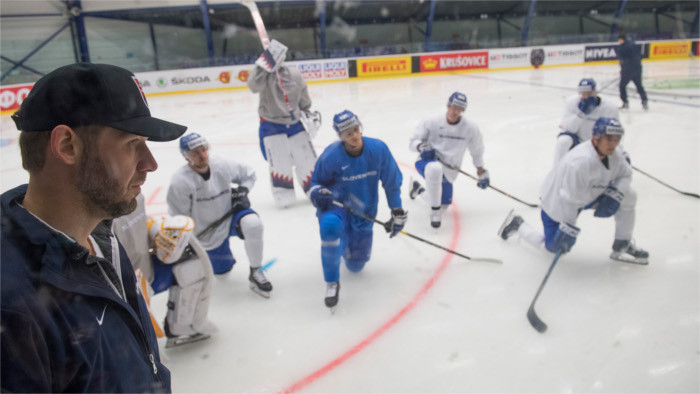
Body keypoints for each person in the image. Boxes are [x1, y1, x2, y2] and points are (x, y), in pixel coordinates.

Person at [1, 63, 185, 392]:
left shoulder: (101, 237)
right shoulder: (12, 306)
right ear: (67, 146)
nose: (150, 163)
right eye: (132, 143)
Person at [498, 117, 649, 265]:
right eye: (608, 138)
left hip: (588, 193)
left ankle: (622, 242)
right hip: (557, 200)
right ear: (596, 138)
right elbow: (569, 199)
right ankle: (518, 225)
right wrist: (568, 228)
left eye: (617, 139)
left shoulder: (615, 154)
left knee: (629, 196)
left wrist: (615, 193)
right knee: (552, 251)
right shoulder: (579, 163)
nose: (613, 144)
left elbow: (626, 174)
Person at [309, 110, 407, 310]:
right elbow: (315, 183)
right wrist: (318, 193)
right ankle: (331, 283)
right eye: (347, 134)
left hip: (364, 211)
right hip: (336, 206)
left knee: (356, 266)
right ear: (341, 137)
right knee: (330, 227)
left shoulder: (378, 149)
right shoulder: (331, 155)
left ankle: (344, 242)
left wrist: (396, 210)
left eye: (355, 130)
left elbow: (391, 181)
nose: (354, 136)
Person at [166, 132, 273, 297]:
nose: (202, 156)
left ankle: (256, 271)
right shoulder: (180, 182)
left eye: (204, 150)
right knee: (223, 271)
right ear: (187, 157)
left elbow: (249, 174)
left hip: (231, 217)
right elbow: (179, 219)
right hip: (207, 232)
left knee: (253, 224)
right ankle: (220, 258)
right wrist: (190, 244)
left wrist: (242, 192)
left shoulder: (222, 164)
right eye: (195, 153)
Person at [113, 193, 216, 348]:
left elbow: (139, 223)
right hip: (122, 290)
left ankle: (180, 327)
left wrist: (157, 232)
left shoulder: (134, 194)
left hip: (147, 273)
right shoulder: (99, 214)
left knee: (192, 264)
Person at [247, 39, 321, 207]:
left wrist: (307, 114)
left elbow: (304, 98)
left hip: (294, 123)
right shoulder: (263, 76)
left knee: (307, 159)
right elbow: (253, 86)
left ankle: (314, 187)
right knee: (280, 163)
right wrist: (262, 67)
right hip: (271, 126)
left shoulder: (293, 75)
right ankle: (284, 195)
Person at [407, 91, 489, 228]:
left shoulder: (470, 128)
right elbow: (412, 142)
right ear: (448, 105)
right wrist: (421, 146)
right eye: (453, 107)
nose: (455, 111)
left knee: (444, 204)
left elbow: (477, 150)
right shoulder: (431, 121)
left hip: (449, 170)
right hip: (427, 162)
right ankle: (434, 213)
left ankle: (418, 190)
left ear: (463, 110)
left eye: (459, 109)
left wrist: (481, 171)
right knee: (435, 169)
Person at [554, 78, 619, 166]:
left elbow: (615, 132)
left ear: (594, 91)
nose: (585, 97)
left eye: (588, 93)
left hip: (598, 143)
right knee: (563, 141)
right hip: (578, 141)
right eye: (582, 93)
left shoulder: (609, 108)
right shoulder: (572, 102)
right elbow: (568, 128)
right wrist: (580, 114)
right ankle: (557, 171)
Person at [617, 33, 648, 110]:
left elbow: (623, 60)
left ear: (621, 39)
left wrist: (623, 70)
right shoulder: (634, 44)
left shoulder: (623, 47)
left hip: (628, 69)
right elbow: (640, 56)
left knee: (622, 86)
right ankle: (644, 101)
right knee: (639, 85)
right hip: (638, 68)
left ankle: (625, 102)